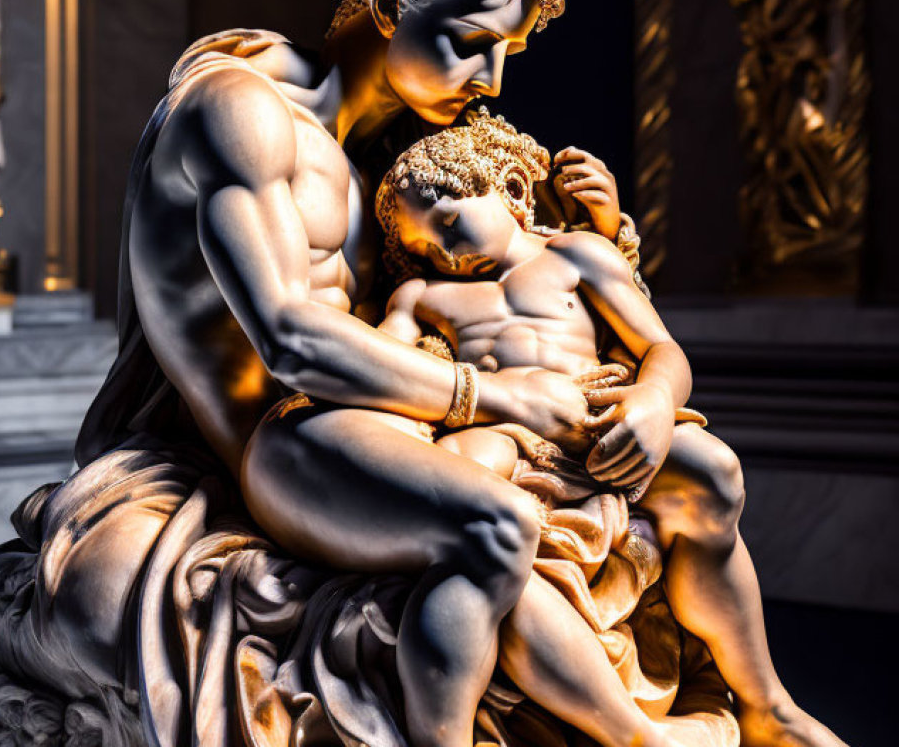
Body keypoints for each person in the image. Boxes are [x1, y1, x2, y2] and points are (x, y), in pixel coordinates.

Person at [0, 0, 843, 747]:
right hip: (290, 438)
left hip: (407, 418)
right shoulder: (238, 112)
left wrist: (604, 240)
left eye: (507, 52)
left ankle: (766, 708)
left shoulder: (408, 154)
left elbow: (518, 288)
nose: (490, 78)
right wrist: (502, 400)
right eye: (470, 41)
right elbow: (289, 337)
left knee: (703, 475)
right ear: (387, 6)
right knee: (495, 526)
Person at [243, 111, 847, 747]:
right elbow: (382, 361)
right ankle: (627, 730)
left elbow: (661, 349)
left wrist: (653, 400)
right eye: (424, 248)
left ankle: (765, 702)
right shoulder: (422, 295)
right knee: (477, 507)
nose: (445, 251)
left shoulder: (578, 256)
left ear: (507, 186)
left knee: (714, 474)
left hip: (596, 417)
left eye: (449, 221)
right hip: (503, 423)